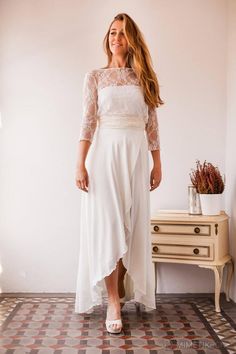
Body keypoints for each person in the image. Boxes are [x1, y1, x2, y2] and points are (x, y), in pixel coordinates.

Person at [74, 12, 163, 334]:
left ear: (132, 39)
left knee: (129, 226)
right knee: (109, 224)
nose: (116, 39)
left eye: (123, 34)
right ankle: (113, 300)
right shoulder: (95, 77)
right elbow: (87, 121)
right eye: (112, 33)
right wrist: (80, 163)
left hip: (137, 154)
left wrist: (157, 162)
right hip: (105, 154)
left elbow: (152, 125)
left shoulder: (144, 77)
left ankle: (121, 289)